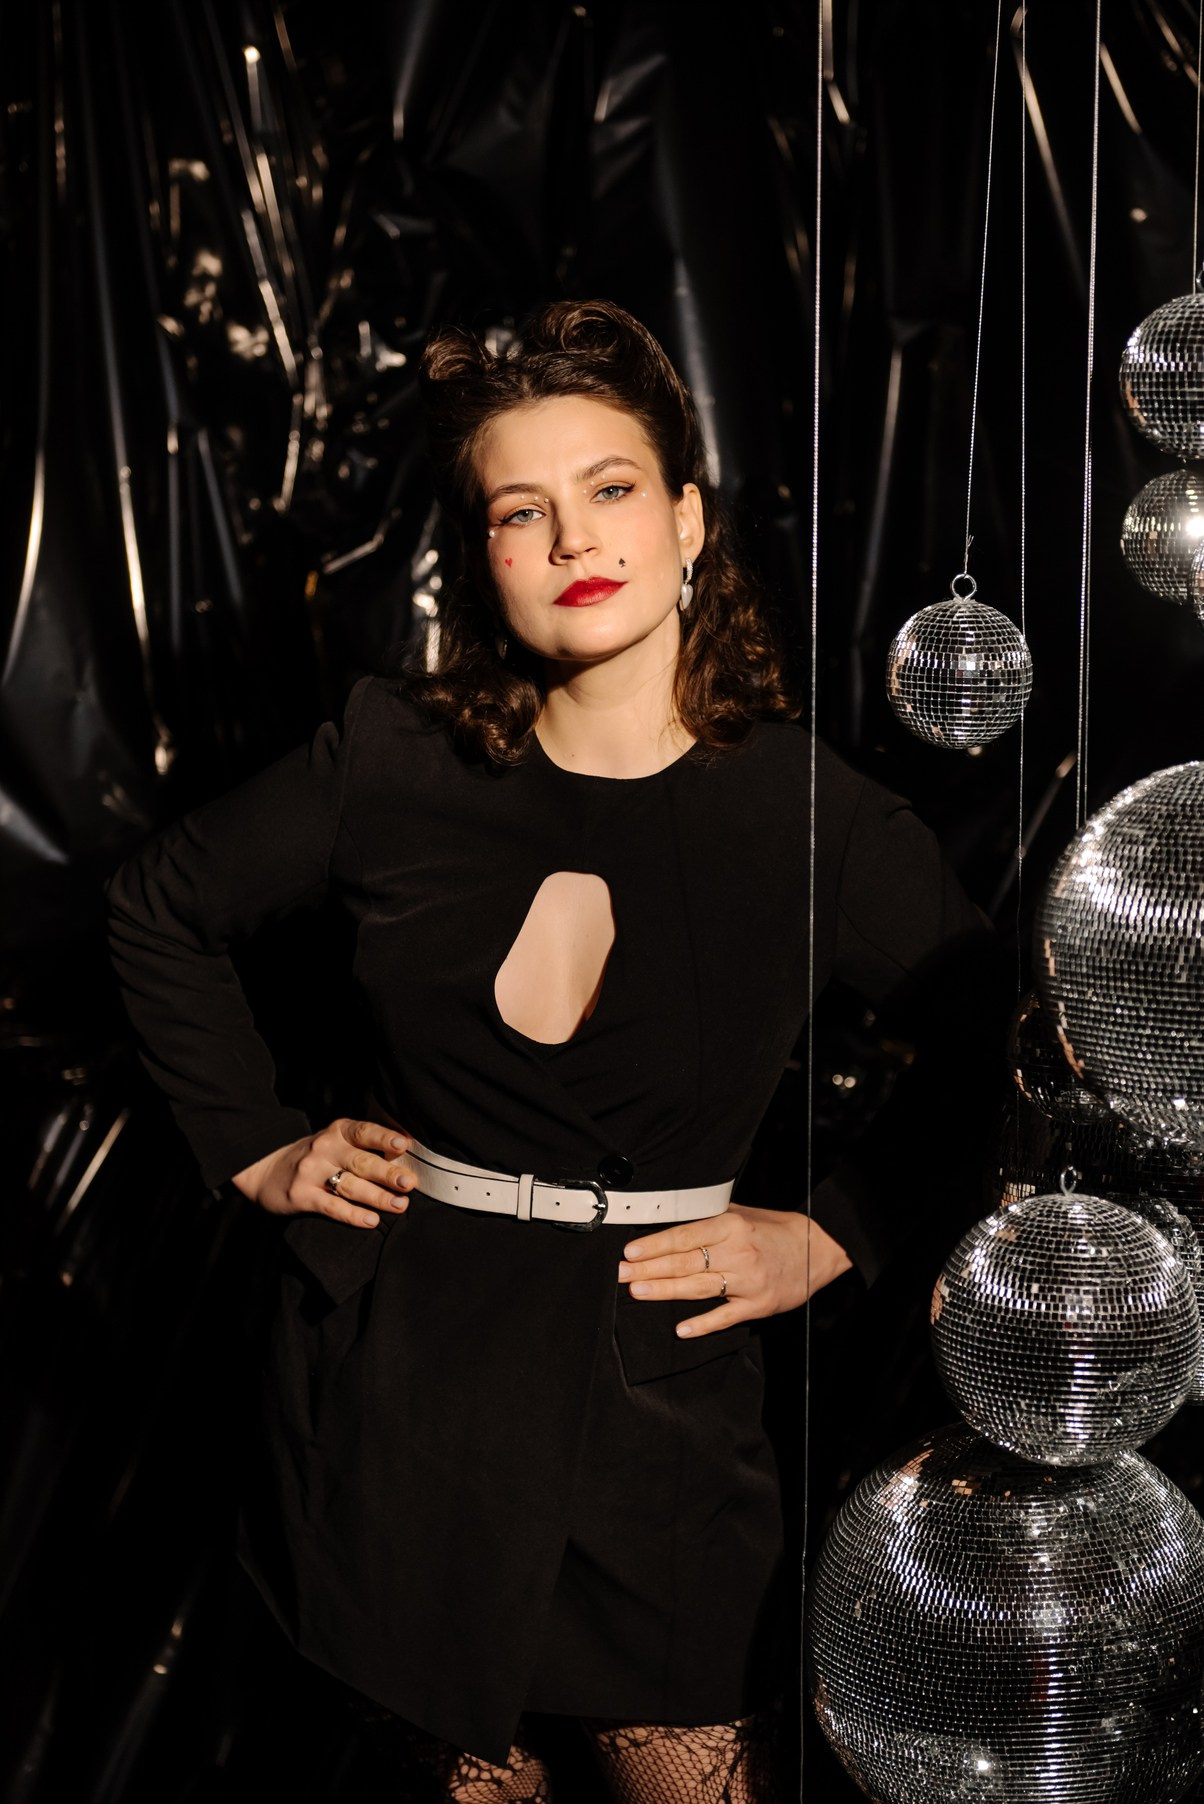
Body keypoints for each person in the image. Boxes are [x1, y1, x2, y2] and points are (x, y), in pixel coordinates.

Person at [104, 298, 1004, 1803]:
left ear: (687, 522)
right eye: (522, 510)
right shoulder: (390, 757)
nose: (574, 535)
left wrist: (832, 1233)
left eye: (610, 487)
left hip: (662, 1409)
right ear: (486, 559)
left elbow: (999, 1044)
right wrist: (256, 1144)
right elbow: (155, 909)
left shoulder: (813, 821)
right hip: (406, 1395)